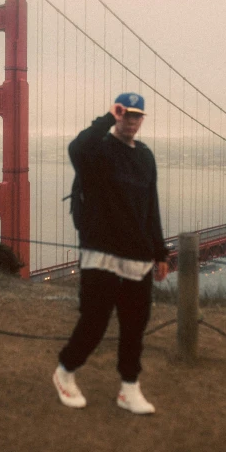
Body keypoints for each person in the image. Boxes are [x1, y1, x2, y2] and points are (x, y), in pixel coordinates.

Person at [53, 92, 169, 415]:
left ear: (143, 119)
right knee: (95, 322)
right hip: (101, 253)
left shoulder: (145, 157)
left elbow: (151, 208)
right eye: (125, 114)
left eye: (136, 116)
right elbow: (76, 148)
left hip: (137, 256)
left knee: (135, 326)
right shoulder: (98, 151)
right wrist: (106, 117)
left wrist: (160, 253)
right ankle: (65, 372)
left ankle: (129, 389)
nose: (130, 121)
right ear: (118, 114)